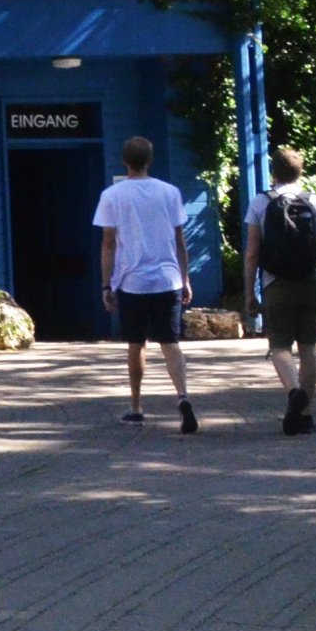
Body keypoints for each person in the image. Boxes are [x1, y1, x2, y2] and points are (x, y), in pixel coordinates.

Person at [96, 134, 196, 432]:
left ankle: (137, 406)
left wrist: (106, 285)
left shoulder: (112, 196)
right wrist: (186, 278)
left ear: (125, 161)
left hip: (132, 281)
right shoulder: (170, 192)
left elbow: (108, 243)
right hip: (168, 279)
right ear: (150, 161)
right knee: (171, 343)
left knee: (136, 344)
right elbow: (179, 241)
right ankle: (183, 396)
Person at [244, 144, 316, 436]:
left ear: (274, 172)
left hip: (275, 283)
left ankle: (294, 392)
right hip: (311, 281)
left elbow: (253, 252)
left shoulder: (260, 203)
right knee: (309, 348)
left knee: (279, 345)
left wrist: (248, 293)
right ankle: (305, 416)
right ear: (300, 171)